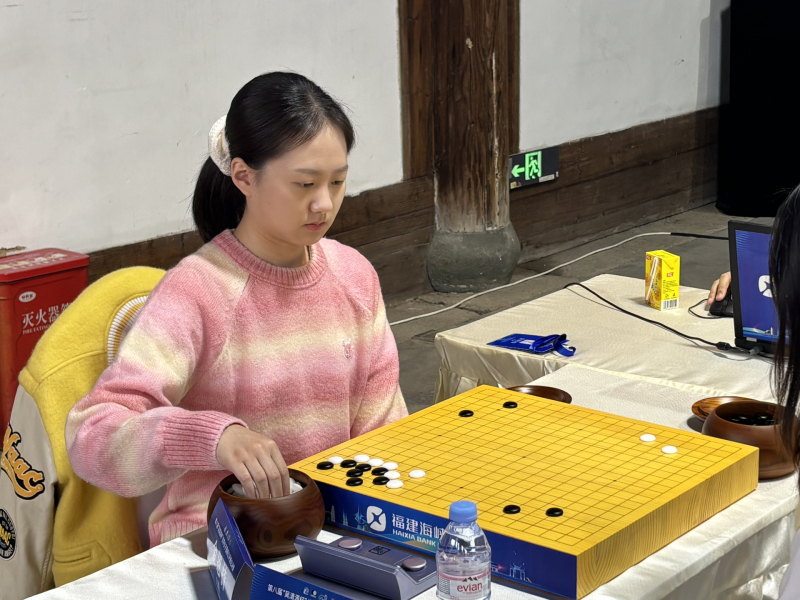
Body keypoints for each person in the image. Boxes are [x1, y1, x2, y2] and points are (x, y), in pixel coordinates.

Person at [65, 72, 408, 546]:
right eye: (304, 183)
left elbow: (385, 433)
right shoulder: (197, 292)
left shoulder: (354, 276)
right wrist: (212, 438)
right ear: (244, 176)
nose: (324, 204)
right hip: (215, 539)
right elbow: (93, 436)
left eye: (337, 181)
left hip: (330, 529)